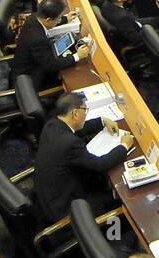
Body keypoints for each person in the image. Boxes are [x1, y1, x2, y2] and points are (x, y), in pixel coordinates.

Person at [33, 91, 133, 221]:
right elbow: (100, 165)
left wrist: (102, 121)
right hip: (66, 208)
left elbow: (76, 129)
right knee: (118, 200)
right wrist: (124, 146)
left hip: (48, 195)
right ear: (75, 113)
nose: (86, 114)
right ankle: (117, 234)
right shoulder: (70, 143)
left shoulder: (51, 125)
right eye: (85, 110)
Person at [9, 0, 87, 90]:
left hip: (24, 66)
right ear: (48, 19)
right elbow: (51, 65)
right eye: (59, 18)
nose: (59, 20)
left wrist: (66, 19)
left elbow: (49, 22)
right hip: (29, 79)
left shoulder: (33, 17)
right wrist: (77, 56)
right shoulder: (38, 40)